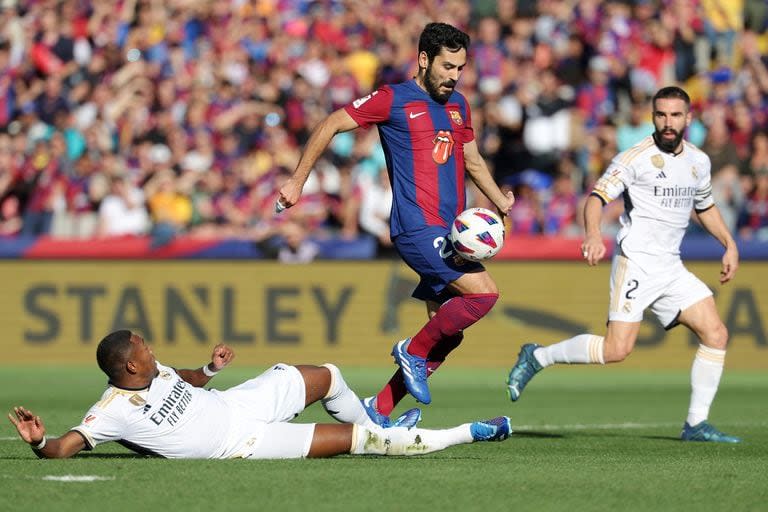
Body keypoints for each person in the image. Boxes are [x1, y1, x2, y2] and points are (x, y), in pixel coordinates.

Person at [277, 23, 515, 425]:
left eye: (460, 67)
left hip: (450, 234)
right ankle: (411, 353)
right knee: (483, 295)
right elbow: (332, 122)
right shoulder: (394, 99)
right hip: (417, 227)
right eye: (447, 66)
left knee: (447, 333)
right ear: (424, 60)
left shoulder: (460, 106)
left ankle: (377, 412)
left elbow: (472, 160)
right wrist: (298, 180)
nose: (454, 76)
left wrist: (499, 199)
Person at [505, 86, 741, 443]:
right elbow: (597, 197)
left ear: (688, 118)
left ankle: (695, 424)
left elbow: (704, 207)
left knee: (716, 333)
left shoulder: (698, 161)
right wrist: (593, 234)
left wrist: (729, 243)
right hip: (637, 263)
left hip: (671, 267)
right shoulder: (634, 158)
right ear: (653, 116)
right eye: (661, 114)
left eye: (675, 115)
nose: (668, 122)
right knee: (617, 350)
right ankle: (538, 356)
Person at [8, 330, 512, 460]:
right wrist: (37, 441)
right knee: (358, 440)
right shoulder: (110, 412)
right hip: (239, 444)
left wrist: (207, 369)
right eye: (143, 345)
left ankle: (384, 423)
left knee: (328, 374)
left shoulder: (153, 368)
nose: (150, 346)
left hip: (236, 403)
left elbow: (179, 377)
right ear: (129, 365)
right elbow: (63, 447)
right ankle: (467, 433)